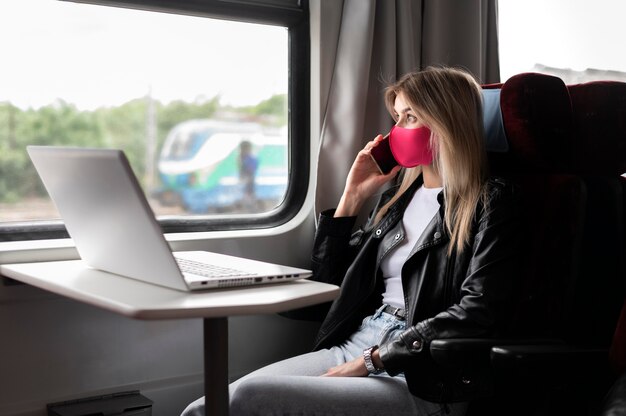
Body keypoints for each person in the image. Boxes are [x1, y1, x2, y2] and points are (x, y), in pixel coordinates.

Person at [182, 66, 521, 416]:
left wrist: (374, 360)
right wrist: (352, 197)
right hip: (359, 340)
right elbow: (333, 285)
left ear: (446, 122)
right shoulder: (399, 199)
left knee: (248, 397)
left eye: (409, 117)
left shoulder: (492, 201)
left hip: (423, 371)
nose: (396, 131)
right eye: (396, 117)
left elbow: (477, 311)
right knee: (204, 408)